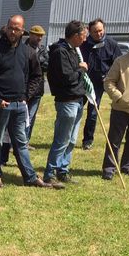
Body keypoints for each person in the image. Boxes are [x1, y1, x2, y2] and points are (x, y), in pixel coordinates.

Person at [0, 15, 56, 189]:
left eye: (17, 29)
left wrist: (26, 95)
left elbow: (37, 76)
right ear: (6, 28)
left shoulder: (27, 51)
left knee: (21, 142)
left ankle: (30, 177)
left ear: (23, 31)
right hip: (2, 104)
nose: (13, 31)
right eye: (10, 28)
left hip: (19, 104)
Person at [43, 20, 89, 186]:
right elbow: (66, 77)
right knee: (62, 139)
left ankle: (63, 170)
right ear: (76, 35)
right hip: (67, 100)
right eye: (83, 36)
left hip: (77, 100)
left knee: (71, 140)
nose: (85, 39)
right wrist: (81, 69)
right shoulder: (60, 52)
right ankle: (50, 174)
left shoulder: (74, 51)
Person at [80, 18, 122, 150]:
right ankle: (68, 136)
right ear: (89, 32)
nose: (98, 34)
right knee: (76, 109)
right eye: (95, 32)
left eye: (100, 31)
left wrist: (110, 77)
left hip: (100, 84)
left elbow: (118, 64)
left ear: (104, 29)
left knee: (93, 113)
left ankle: (87, 140)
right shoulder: (84, 44)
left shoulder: (111, 44)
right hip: (85, 81)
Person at [101, 31, 129, 180]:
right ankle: (109, 168)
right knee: (114, 140)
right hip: (120, 108)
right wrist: (118, 98)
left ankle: (128, 166)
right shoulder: (121, 61)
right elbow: (109, 81)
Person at [24, 25, 49, 147]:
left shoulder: (43, 49)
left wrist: (37, 63)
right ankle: (18, 142)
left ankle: (26, 141)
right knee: (23, 116)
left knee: (31, 116)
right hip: (25, 88)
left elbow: (47, 65)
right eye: (37, 35)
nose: (39, 38)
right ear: (30, 34)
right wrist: (39, 62)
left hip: (38, 89)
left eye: (41, 36)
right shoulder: (23, 48)